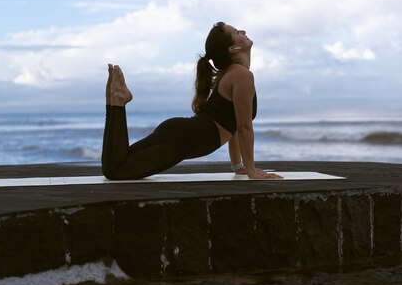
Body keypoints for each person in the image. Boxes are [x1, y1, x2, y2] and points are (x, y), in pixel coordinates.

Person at [101, 22, 282, 180]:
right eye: (237, 32)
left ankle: (115, 100)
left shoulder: (234, 74)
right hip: (180, 139)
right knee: (116, 170)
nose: (242, 31)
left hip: (181, 135)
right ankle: (117, 100)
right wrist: (251, 171)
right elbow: (243, 127)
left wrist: (238, 166)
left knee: (117, 167)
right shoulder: (242, 75)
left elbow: (234, 126)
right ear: (233, 49)